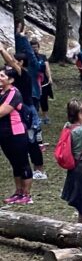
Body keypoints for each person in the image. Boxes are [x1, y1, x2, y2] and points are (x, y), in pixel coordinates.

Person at [0, 64, 33, 205]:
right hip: (4, 134)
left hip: (16, 134)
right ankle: (18, 192)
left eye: (2, 76)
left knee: (22, 162)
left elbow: (2, 112)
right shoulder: (1, 92)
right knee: (14, 164)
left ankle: (26, 194)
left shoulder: (14, 93)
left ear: (11, 80)